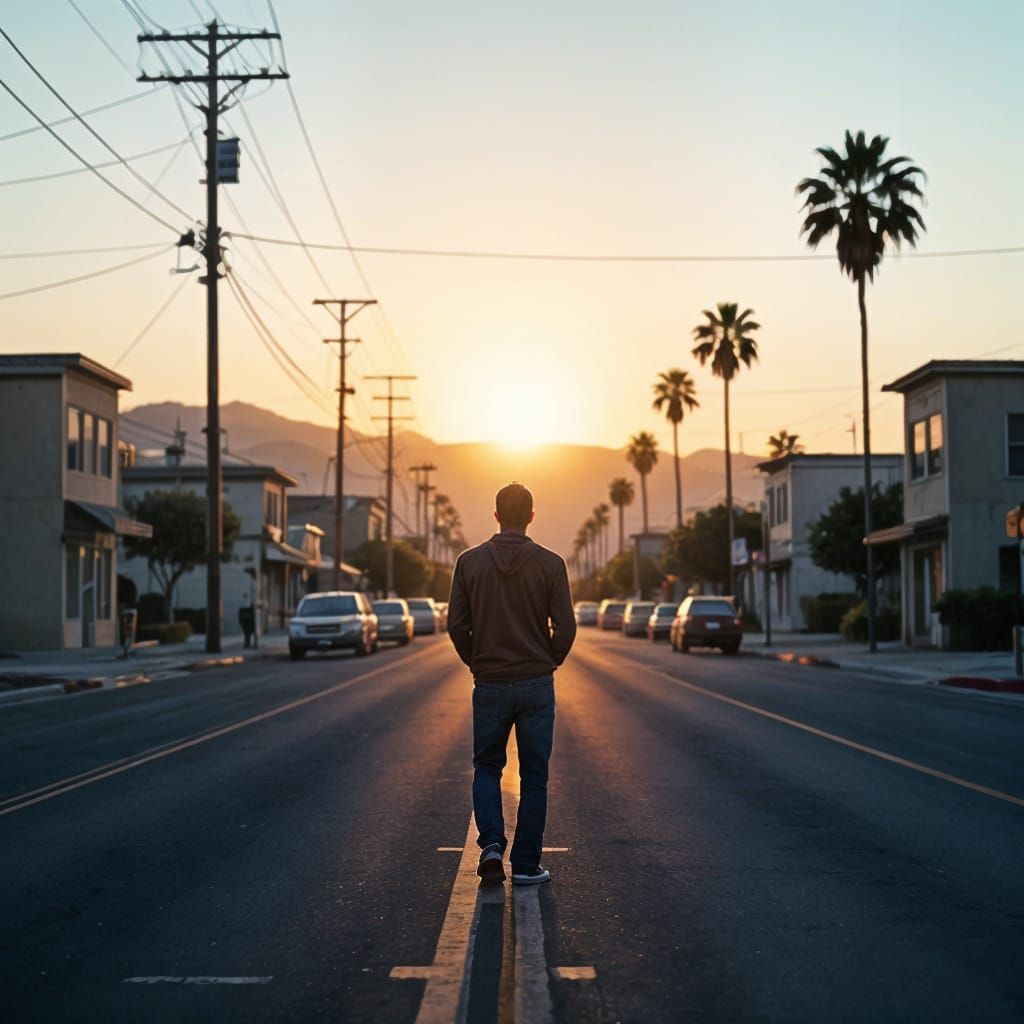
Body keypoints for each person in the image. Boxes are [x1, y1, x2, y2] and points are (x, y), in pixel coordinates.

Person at [446, 482, 577, 886]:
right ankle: (524, 865)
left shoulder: (469, 563)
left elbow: (456, 625)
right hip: (536, 684)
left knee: (487, 766)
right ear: (531, 517)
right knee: (534, 775)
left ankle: (489, 845)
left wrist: (479, 663)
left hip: (489, 684)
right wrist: (547, 661)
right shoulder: (551, 565)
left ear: (497, 515)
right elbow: (566, 627)